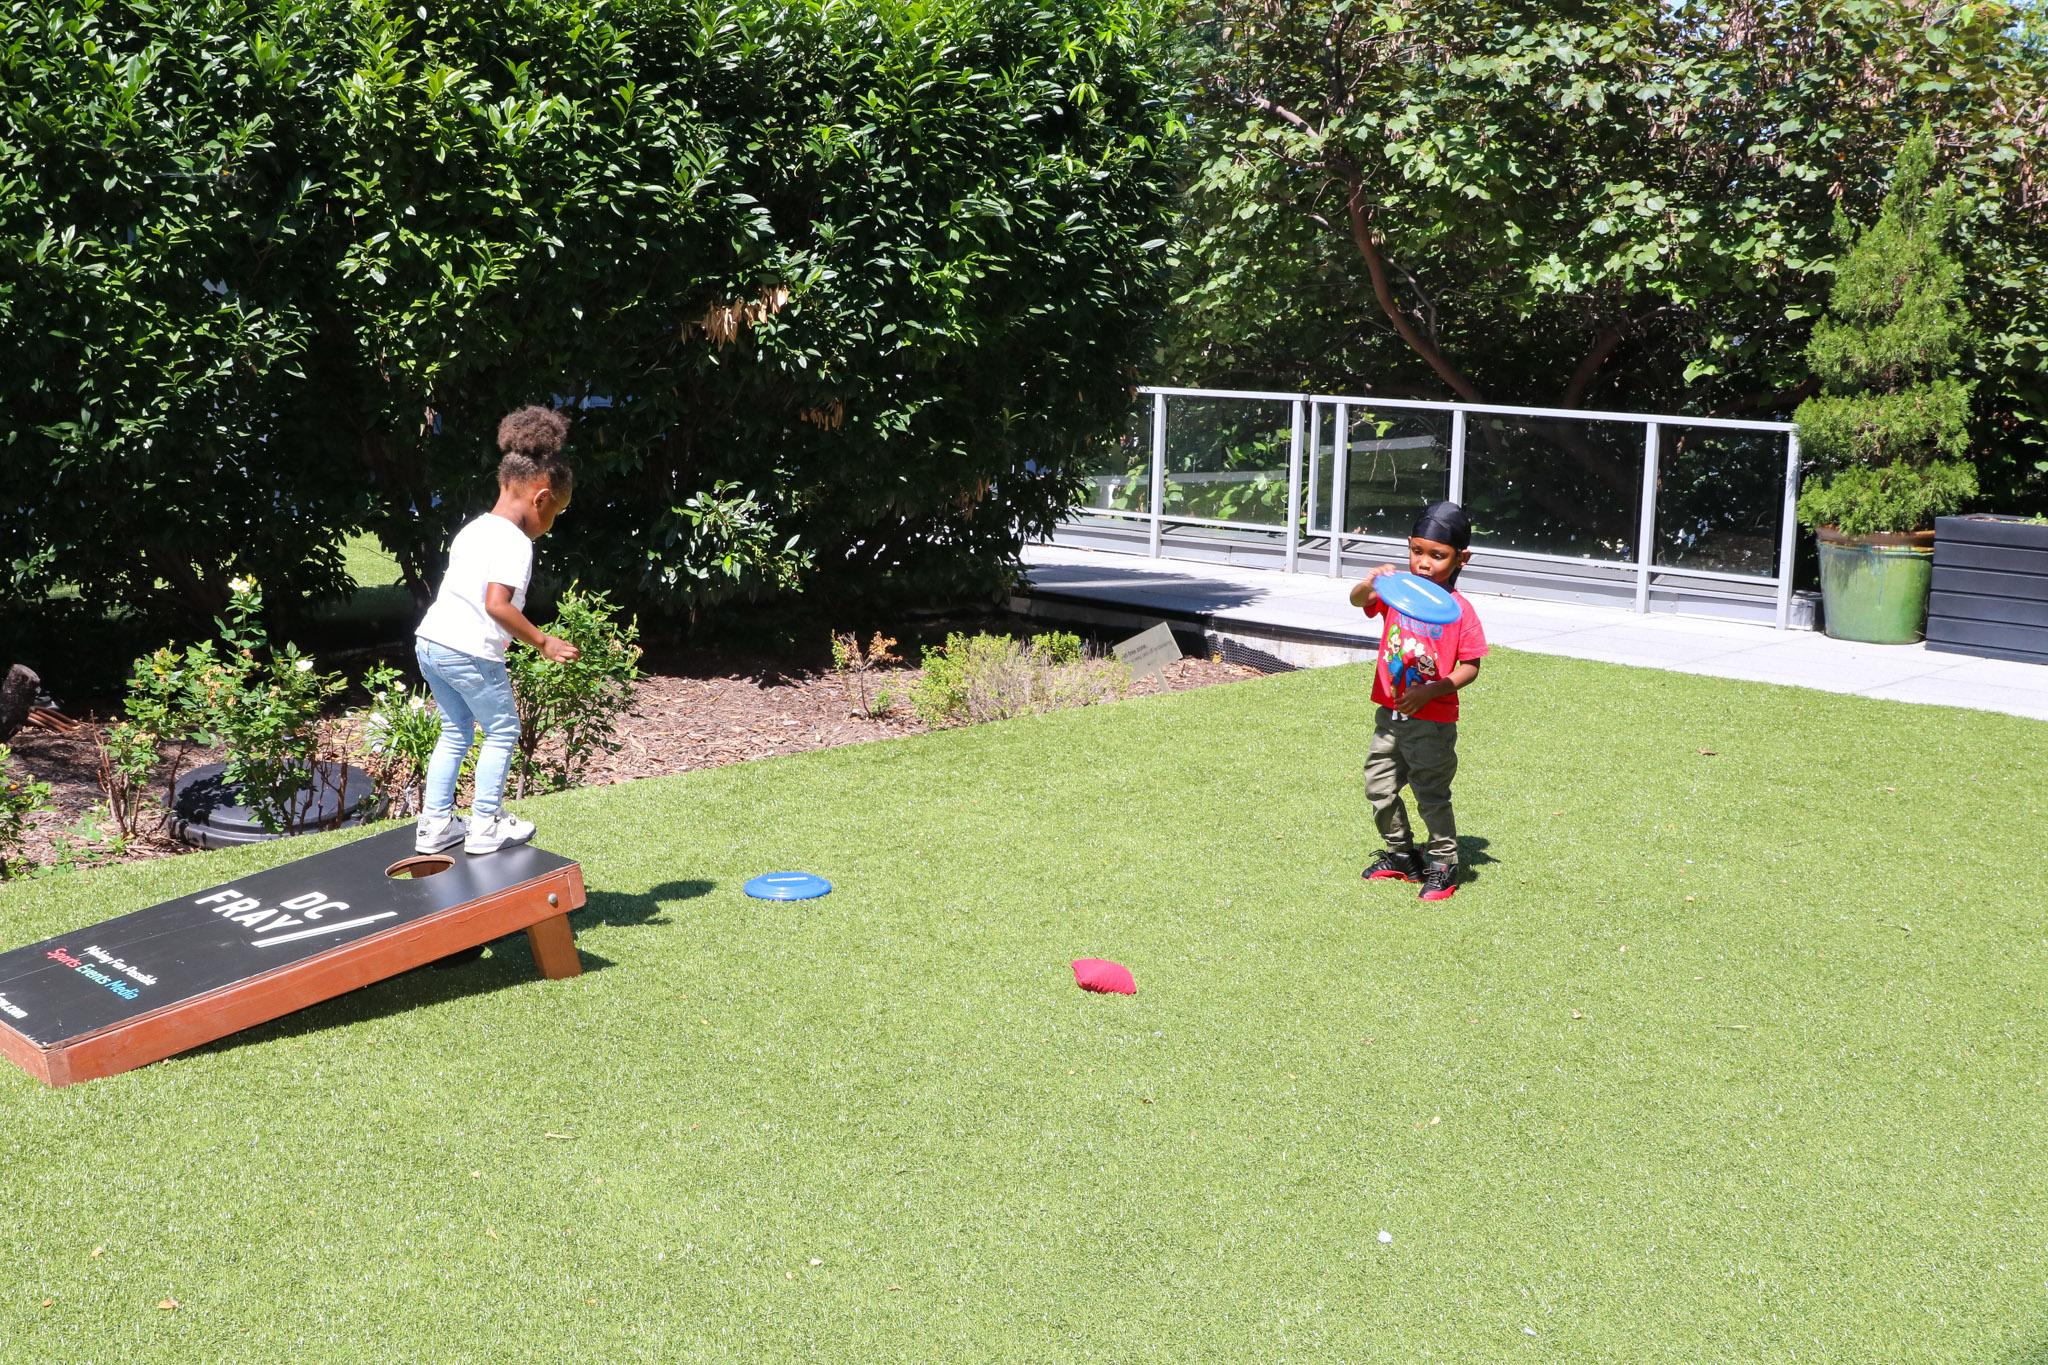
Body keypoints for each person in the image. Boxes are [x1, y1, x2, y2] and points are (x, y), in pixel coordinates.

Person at [412, 406, 581, 855]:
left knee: (455, 732)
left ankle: (435, 825)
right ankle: (485, 824)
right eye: (556, 512)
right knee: (503, 731)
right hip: (469, 650)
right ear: (540, 499)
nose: (551, 524)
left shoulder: (475, 529)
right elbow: (496, 605)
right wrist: (543, 642)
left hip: (430, 643)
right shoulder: (515, 542)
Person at [1347, 501, 1489, 902]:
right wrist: (1370, 583)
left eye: (1437, 555)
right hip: (1390, 715)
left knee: (1431, 793)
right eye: (1417, 551)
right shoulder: (1397, 594)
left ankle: (1443, 862)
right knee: (1379, 786)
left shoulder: (1459, 610)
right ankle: (1402, 855)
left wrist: (1431, 690)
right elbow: (1358, 601)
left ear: (1461, 558)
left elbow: (1471, 666)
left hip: (1432, 723)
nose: (1424, 562)